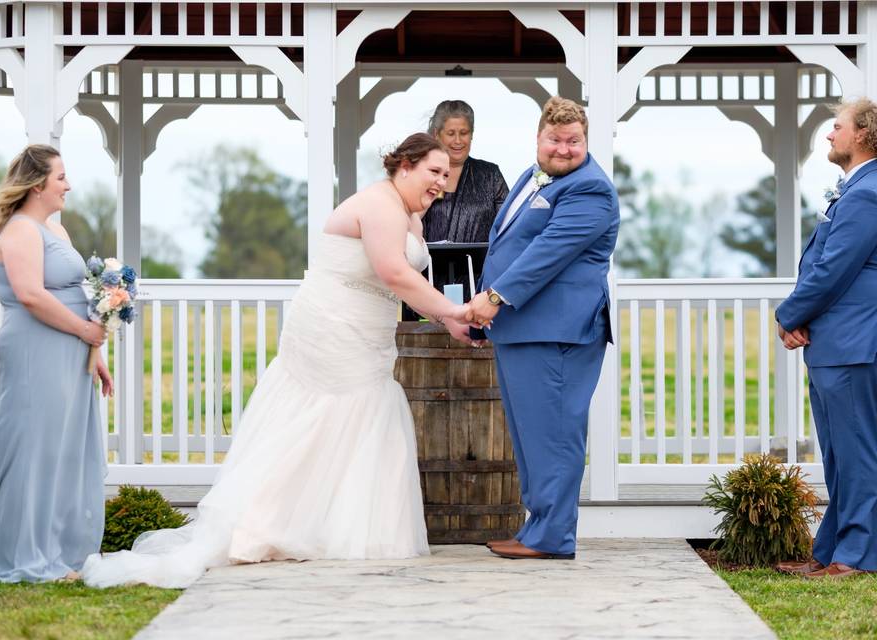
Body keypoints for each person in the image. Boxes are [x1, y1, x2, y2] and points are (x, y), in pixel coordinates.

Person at [81, 133, 472, 589]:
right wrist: (454, 310)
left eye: (447, 174)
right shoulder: (380, 204)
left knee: (358, 417)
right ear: (404, 165)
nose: (442, 182)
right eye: (434, 172)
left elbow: (402, 286)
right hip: (333, 325)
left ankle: (333, 527)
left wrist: (446, 321)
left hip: (369, 329)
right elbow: (393, 271)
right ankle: (271, 523)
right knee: (332, 415)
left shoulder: (410, 216)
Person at [467, 96, 619, 560]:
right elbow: (505, 246)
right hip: (521, 327)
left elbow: (547, 253)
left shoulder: (590, 189)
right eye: (555, 139)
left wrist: (492, 299)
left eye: (574, 141)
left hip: (558, 332)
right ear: (539, 138)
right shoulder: (532, 177)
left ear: (586, 142)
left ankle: (553, 536)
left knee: (554, 432)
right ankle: (537, 528)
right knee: (531, 433)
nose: (564, 149)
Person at [774, 98, 877, 579]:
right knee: (837, 453)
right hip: (836, 338)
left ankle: (853, 556)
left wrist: (788, 314)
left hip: (857, 337)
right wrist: (802, 319)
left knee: (854, 449)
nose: (830, 135)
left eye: (837, 127)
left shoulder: (868, 193)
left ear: (864, 135)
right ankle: (829, 551)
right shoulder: (858, 189)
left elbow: (834, 269)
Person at [0, 144, 113, 583]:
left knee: (62, 450)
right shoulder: (22, 230)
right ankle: (25, 555)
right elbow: (30, 295)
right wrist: (84, 332)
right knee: (33, 451)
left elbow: (80, 296)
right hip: (34, 351)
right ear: (38, 183)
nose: (68, 185)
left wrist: (95, 352)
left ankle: (56, 549)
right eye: (61, 177)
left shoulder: (55, 231)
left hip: (69, 354)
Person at [422, 100, 509, 244]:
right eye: (451, 133)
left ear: (472, 134)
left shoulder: (490, 175)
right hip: (429, 264)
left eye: (464, 133)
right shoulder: (422, 172)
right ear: (437, 134)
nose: (458, 141)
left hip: (478, 264)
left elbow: (508, 226)